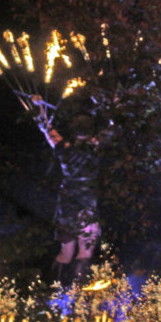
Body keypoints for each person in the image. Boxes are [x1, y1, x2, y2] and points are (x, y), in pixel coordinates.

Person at [40, 115, 102, 285]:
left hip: (66, 200)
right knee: (85, 250)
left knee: (66, 250)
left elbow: (47, 129)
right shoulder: (96, 146)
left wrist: (41, 111)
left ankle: (53, 290)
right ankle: (76, 292)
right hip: (86, 200)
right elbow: (116, 125)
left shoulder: (64, 148)